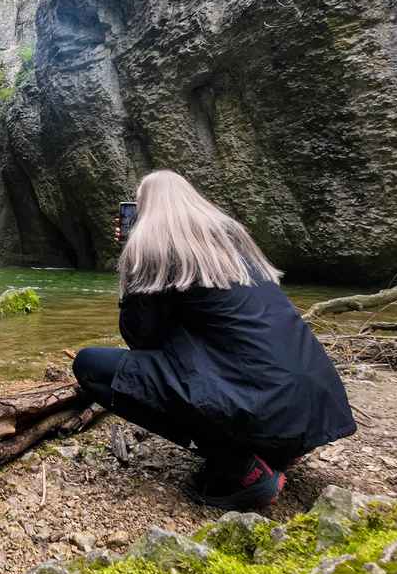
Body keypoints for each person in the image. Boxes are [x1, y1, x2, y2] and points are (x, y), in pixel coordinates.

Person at [72, 170, 355, 510]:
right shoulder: (232, 245)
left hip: (265, 406)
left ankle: (243, 469)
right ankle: (274, 451)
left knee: (90, 365)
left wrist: (134, 263)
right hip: (313, 408)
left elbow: (141, 339)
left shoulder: (159, 251)